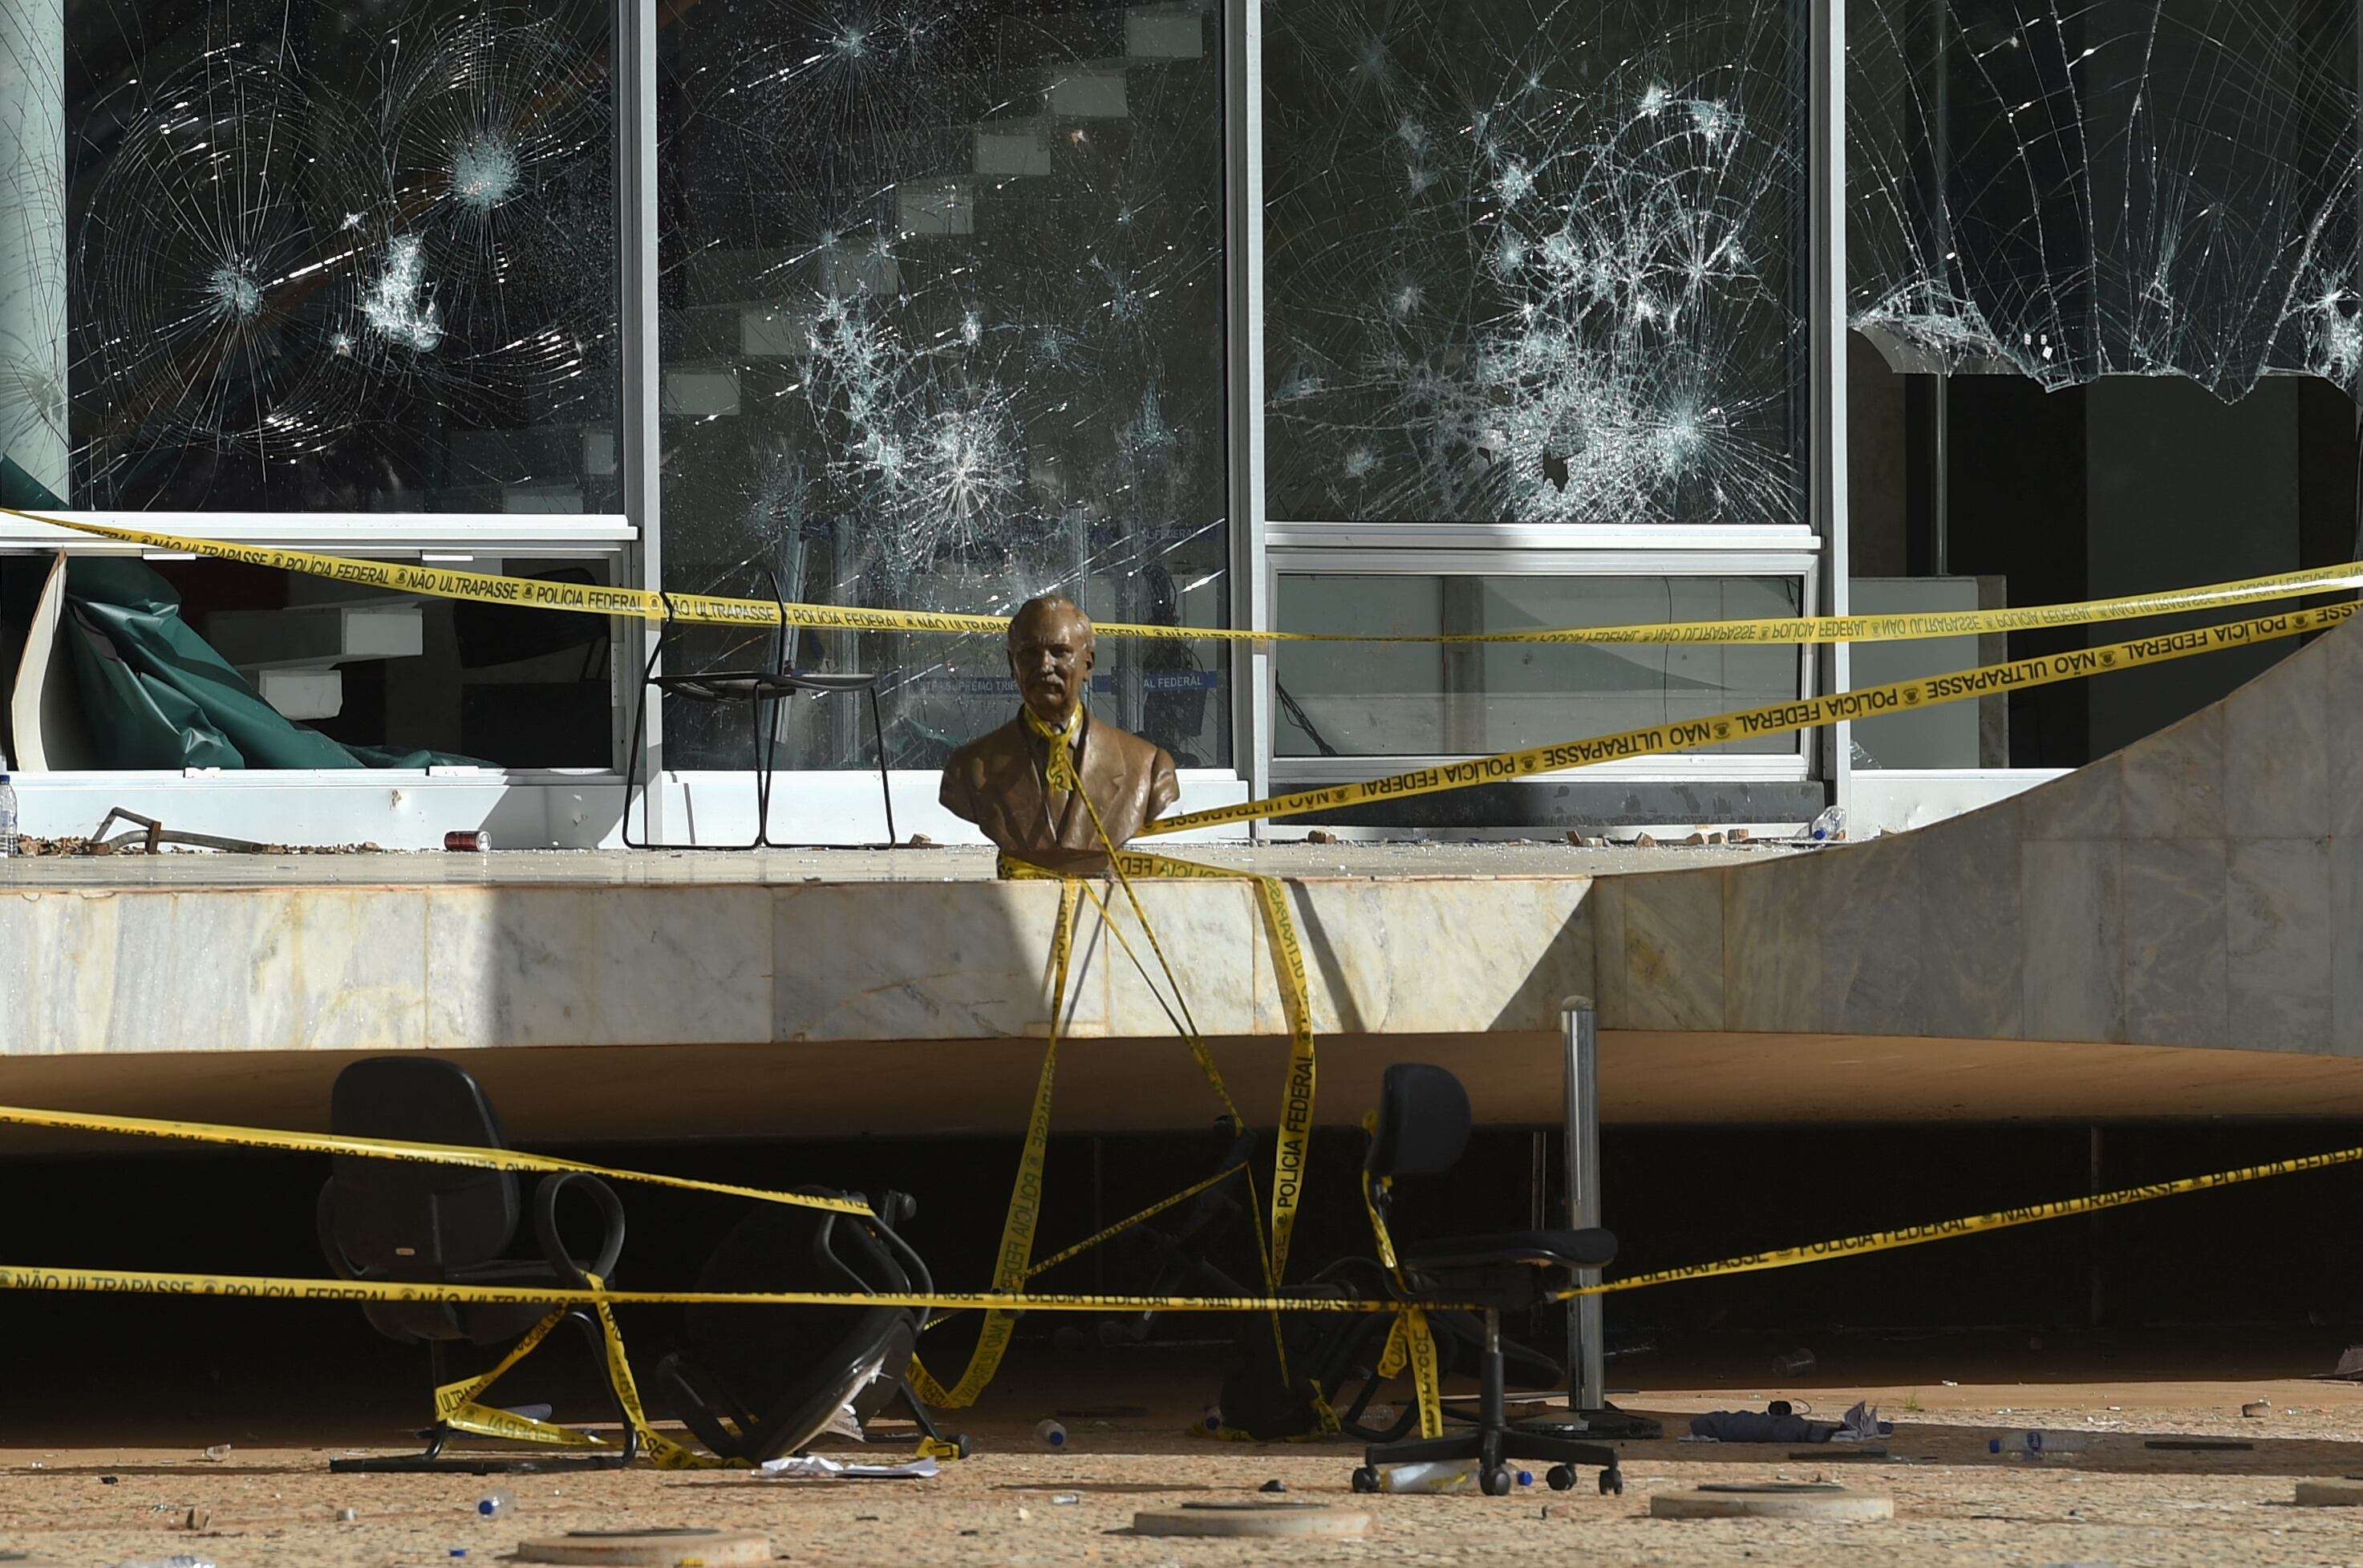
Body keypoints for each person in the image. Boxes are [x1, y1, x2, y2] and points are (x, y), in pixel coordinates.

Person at [939, 594, 1179, 875]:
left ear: (1088, 664)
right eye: (1029, 653)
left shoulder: (1149, 769)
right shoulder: (969, 770)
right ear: (1011, 665)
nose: (1044, 666)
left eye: (1060, 652)